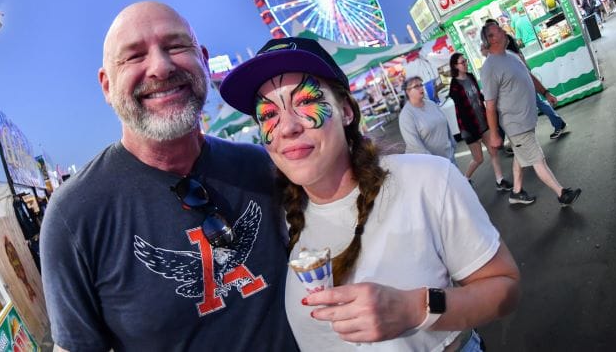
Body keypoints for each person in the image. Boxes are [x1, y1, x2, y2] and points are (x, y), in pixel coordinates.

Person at [219, 36, 520, 352]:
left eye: (305, 101)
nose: (286, 127)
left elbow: (505, 288)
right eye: (268, 115)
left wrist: (414, 309)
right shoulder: (277, 221)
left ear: (346, 110)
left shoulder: (426, 180)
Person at [40, 2, 296, 351]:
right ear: (106, 85)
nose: (160, 67)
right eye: (133, 57)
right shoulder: (76, 214)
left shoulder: (263, 167)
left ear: (204, 60)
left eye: (176, 46)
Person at [479, 22, 581, 207]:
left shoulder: (510, 55)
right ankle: (562, 194)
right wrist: (494, 134)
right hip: (515, 124)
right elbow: (490, 105)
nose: (503, 30)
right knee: (537, 159)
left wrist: (546, 92)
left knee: (521, 156)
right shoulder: (489, 68)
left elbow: (529, 76)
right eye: (498, 30)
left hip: (526, 119)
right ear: (491, 39)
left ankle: (516, 192)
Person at [485, 18, 567, 140]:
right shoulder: (502, 43)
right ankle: (556, 123)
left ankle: (557, 123)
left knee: (538, 102)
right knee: (537, 102)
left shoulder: (504, 41)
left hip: (521, 77)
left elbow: (517, 57)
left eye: (492, 30)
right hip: (520, 78)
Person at [448, 53, 510, 189]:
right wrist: (473, 132)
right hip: (469, 128)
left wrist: (489, 101)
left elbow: (478, 95)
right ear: (455, 66)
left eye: (465, 61)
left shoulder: (470, 77)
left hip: (482, 121)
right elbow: (462, 112)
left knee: (493, 151)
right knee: (478, 159)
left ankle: (500, 181)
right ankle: (465, 179)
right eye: (462, 62)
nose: (465, 64)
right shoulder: (454, 86)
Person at [397, 76, 456, 163]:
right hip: (432, 165)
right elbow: (415, 145)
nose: (421, 88)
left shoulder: (431, 104)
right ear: (407, 91)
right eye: (416, 86)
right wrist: (433, 162)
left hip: (449, 157)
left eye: (421, 85)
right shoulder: (406, 115)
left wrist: (453, 144)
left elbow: (445, 123)